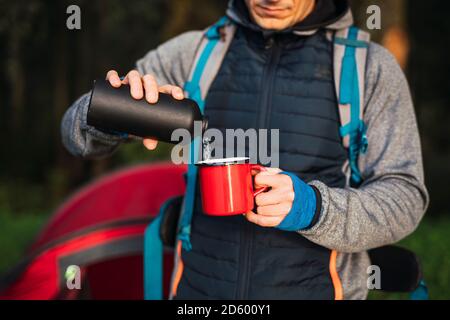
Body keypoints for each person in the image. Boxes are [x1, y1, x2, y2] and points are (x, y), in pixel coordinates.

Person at [61, 0, 429, 300]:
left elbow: (406, 197)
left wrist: (312, 209)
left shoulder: (369, 68)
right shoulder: (195, 53)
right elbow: (73, 134)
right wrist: (113, 112)